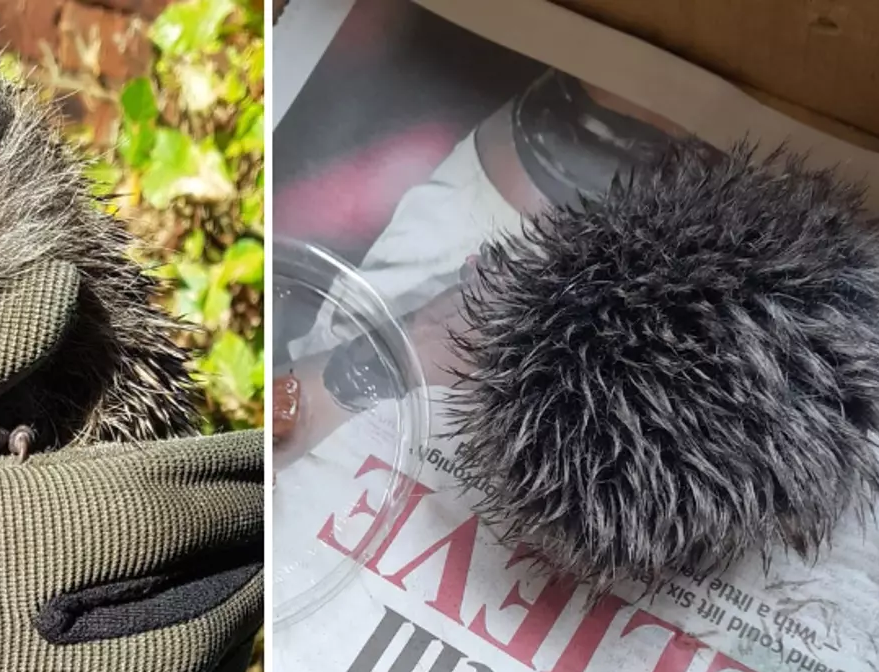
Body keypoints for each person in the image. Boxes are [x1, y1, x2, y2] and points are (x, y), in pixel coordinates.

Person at [276, 70, 693, 467]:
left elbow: (242, 437)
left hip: (455, 280)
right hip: (620, 445)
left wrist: (409, 351)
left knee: (636, 101)